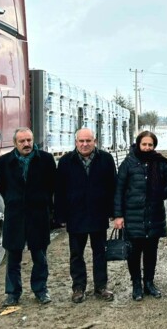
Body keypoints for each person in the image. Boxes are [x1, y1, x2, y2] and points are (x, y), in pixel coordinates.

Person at [55, 128, 117, 303]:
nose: (84, 144)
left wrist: (114, 212)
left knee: (100, 253)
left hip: (98, 215)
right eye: (81, 141)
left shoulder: (105, 159)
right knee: (76, 254)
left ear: (94, 141)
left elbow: (113, 186)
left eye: (88, 141)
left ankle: (101, 287)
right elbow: (59, 191)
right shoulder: (66, 162)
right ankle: (78, 287)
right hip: (76, 216)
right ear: (76, 142)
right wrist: (60, 215)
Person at [0, 127, 57, 307]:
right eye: (22, 141)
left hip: (38, 215)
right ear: (15, 143)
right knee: (13, 257)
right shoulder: (5, 161)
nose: (27, 144)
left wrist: (45, 203)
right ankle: (13, 293)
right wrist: (12, 200)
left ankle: (40, 290)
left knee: (40, 256)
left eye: (29, 140)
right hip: (15, 216)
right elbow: (1, 185)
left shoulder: (45, 160)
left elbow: (52, 184)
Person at [114, 131, 167, 301]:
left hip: (154, 215)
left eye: (150, 145)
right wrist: (118, 215)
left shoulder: (160, 163)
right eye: (144, 144)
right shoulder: (129, 163)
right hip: (133, 216)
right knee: (134, 252)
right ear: (138, 144)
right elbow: (119, 190)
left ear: (154, 146)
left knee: (151, 252)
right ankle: (136, 284)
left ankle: (149, 283)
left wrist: (160, 192)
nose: (147, 148)